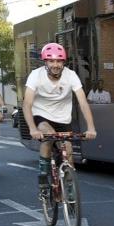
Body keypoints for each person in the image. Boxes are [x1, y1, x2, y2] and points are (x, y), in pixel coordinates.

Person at [23, 43, 96, 196]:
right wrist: (33, 129)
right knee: (48, 136)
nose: (55, 65)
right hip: (41, 114)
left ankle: (70, 192)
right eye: (51, 61)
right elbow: (27, 104)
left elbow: (82, 102)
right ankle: (43, 176)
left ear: (64, 63)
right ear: (45, 62)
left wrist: (91, 127)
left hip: (63, 118)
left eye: (59, 61)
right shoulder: (35, 76)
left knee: (67, 152)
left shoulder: (71, 76)